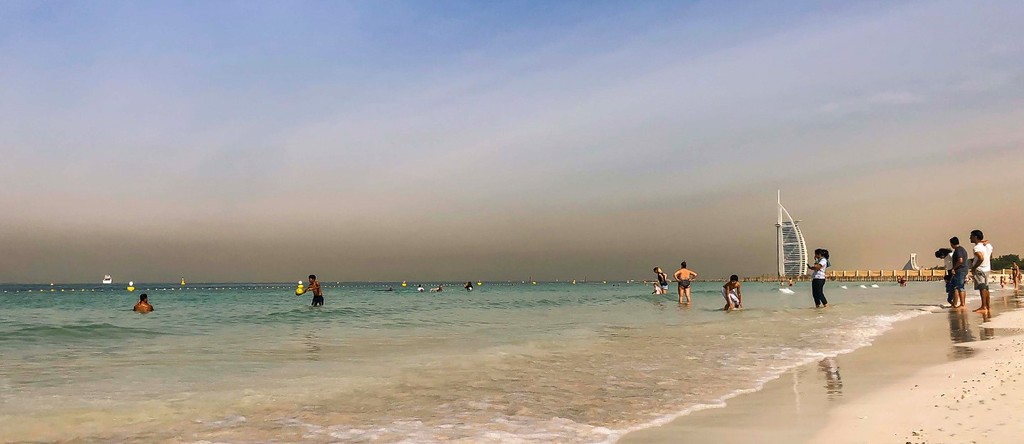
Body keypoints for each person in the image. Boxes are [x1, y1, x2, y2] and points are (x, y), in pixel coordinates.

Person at [969, 230, 993, 313]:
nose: (970, 238)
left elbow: (981, 257)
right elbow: (990, 257)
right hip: (987, 268)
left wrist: (974, 267)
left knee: (982, 287)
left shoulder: (977, 247)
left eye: (971, 236)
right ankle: (988, 306)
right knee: (986, 287)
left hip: (980, 269)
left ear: (975, 237)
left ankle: (983, 306)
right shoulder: (988, 246)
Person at [950, 237, 969, 309]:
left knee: (960, 287)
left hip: (960, 270)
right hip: (964, 269)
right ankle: (962, 303)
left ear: (952, 243)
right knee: (961, 287)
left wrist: (953, 268)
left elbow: (960, 260)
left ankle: (962, 304)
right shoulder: (962, 249)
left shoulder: (958, 250)